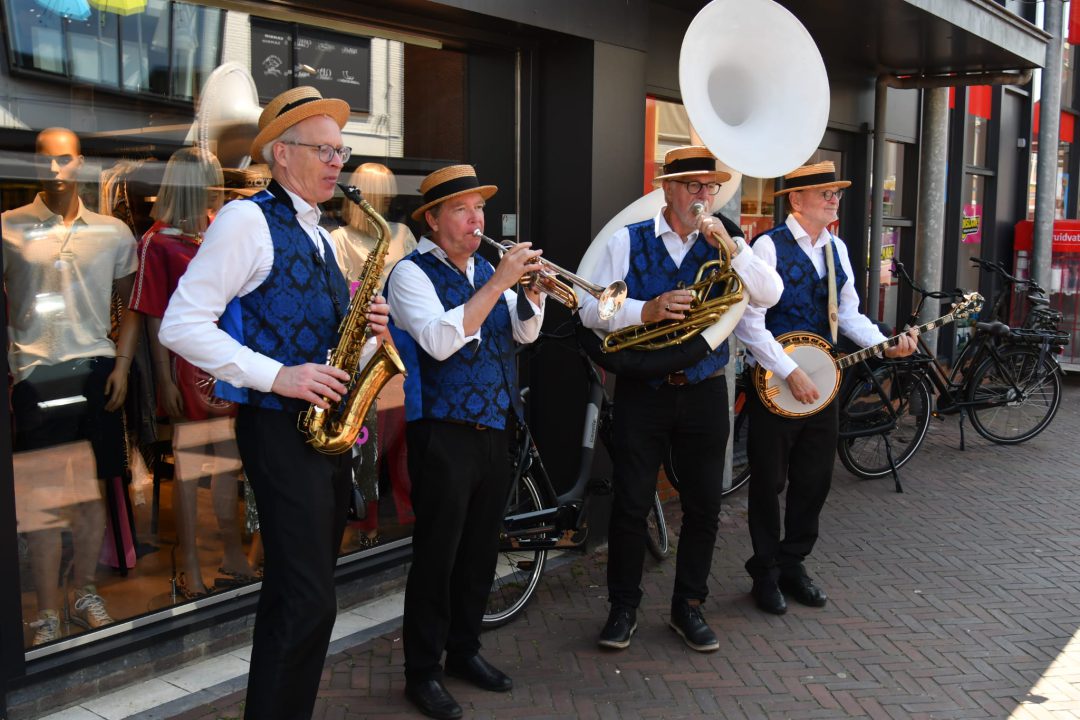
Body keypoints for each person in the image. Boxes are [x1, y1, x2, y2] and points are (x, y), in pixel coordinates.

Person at [159, 86, 390, 720]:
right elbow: (180, 324)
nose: (336, 161)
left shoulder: (317, 233)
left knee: (299, 595)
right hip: (280, 429)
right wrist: (276, 376)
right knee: (309, 599)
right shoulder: (246, 220)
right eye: (323, 150)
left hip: (318, 431)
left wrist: (364, 326)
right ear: (281, 155)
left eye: (340, 150)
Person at [579, 145, 783, 653]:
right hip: (643, 392)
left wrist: (733, 248)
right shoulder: (627, 241)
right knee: (629, 505)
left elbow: (769, 294)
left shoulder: (728, 240)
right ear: (666, 189)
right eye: (692, 185)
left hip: (705, 389)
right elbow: (588, 309)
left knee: (704, 506)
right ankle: (622, 607)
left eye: (709, 187)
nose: (703, 195)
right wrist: (642, 312)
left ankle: (687, 606)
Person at [385, 164, 545, 720]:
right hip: (442, 434)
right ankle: (422, 672)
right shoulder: (410, 275)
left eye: (479, 208)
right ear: (432, 219)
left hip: (493, 430)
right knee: (436, 558)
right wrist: (500, 282)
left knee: (479, 553)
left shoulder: (485, 268)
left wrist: (533, 295)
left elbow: (522, 335)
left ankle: (464, 650)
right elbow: (437, 342)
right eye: (461, 209)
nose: (477, 219)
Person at [734, 161, 917, 616]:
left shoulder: (837, 248)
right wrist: (788, 368)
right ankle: (765, 572)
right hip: (775, 383)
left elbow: (850, 314)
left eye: (837, 192)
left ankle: (793, 564)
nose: (835, 199)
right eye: (825, 192)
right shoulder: (767, 248)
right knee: (769, 481)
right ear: (797, 200)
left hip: (825, 382)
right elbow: (748, 323)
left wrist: (884, 345)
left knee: (814, 480)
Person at [4, 127, 139, 646]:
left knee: (90, 493)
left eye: (65, 159)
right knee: (40, 498)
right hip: (36, 375)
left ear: (80, 163)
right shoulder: (9, 228)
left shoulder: (112, 232)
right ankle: (45, 611)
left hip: (97, 370)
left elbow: (132, 303)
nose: (55, 169)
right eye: (45, 160)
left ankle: (84, 592)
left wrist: (123, 366)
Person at [127, 146, 256, 598]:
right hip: (185, 366)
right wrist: (164, 379)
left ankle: (230, 556)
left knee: (226, 464)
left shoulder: (209, 237)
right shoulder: (158, 242)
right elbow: (154, 316)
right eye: (210, 181)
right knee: (188, 467)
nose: (217, 191)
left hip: (224, 360)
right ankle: (189, 566)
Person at [330, 162, 417, 551]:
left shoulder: (394, 234)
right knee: (373, 441)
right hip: (365, 347)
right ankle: (369, 520)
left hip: (393, 344)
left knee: (392, 441)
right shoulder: (341, 239)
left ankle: (391, 521)